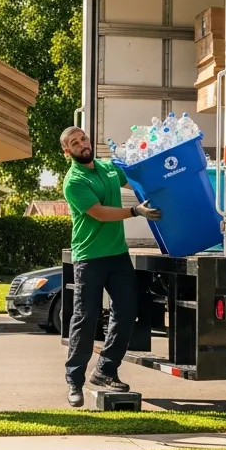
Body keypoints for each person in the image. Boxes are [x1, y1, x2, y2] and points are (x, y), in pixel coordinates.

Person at [60, 126, 162, 407]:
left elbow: (136, 184)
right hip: (89, 257)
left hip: (117, 255)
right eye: (74, 143)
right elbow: (100, 213)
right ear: (67, 151)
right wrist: (134, 211)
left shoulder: (108, 169)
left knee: (127, 311)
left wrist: (161, 185)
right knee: (86, 318)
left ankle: (105, 370)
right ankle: (74, 381)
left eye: (83, 139)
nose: (82, 144)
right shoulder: (73, 181)